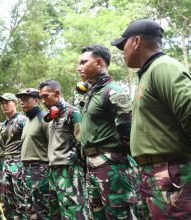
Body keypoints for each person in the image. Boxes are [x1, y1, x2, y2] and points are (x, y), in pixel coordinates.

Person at [111, 19, 191, 219]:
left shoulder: (164, 67)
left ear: (136, 41)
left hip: (171, 173)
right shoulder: (148, 73)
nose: (123, 51)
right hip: (154, 173)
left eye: (124, 45)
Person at [77, 44, 146, 219]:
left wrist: (117, 159)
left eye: (84, 62)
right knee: (97, 215)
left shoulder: (113, 92)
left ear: (99, 62)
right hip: (92, 165)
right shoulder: (93, 94)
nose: (79, 67)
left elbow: (127, 130)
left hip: (112, 166)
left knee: (119, 214)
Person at [38, 80, 88, 220]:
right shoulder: (53, 116)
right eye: (41, 97)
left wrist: (76, 164)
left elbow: (81, 142)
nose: (43, 100)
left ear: (57, 93)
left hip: (69, 170)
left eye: (46, 96)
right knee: (56, 212)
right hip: (53, 171)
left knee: (74, 211)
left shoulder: (72, 112)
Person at [16, 88, 50, 220]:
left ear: (36, 100)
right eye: (21, 99)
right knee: (29, 210)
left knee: (42, 210)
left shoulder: (44, 118)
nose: (22, 102)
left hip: (40, 170)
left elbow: (53, 144)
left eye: (26, 99)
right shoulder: (28, 120)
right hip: (26, 170)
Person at [0, 93, 28, 220]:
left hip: (19, 162)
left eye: (7, 103)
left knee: (21, 197)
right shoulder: (3, 124)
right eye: (2, 103)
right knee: (7, 198)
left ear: (15, 103)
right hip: (6, 162)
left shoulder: (22, 120)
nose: (4, 106)